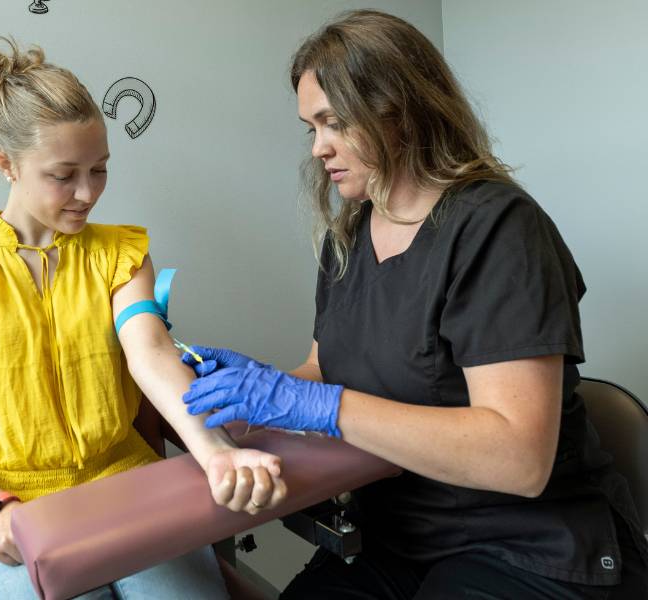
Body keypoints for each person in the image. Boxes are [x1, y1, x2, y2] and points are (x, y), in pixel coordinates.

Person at [181, 10, 648, 599]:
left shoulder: (496, 229)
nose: (319, 148)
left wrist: (309, 403)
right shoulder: (348, 238)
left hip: (528, 543)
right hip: (398, 537)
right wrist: (255, 389)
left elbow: (517, 459)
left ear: (398, 110)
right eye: (310, 128)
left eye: (333, 122)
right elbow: (327, 370)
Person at [0, 38, 286, 600]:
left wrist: (216, 451)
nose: (88, 193)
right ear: (7, 165)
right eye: (64, 174)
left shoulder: (120, 257)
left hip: (124, 490)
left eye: (99, 170)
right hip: (10, 511)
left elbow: (150, 352)